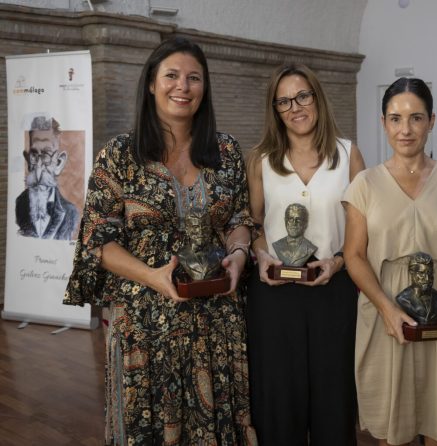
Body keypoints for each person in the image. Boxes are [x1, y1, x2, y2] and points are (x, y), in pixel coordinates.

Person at [63, 37, 257, 445]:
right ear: (151, 83)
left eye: (193, 78)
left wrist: (239, 252)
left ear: (205, 88)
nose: (182, 87)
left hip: (216, 320)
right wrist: (153, 276)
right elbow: (99, 239)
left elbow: (239, 217)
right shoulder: (119, 154)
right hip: (144, 322)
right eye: (171, 76)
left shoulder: (225, 150)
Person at [343, 77, 437, 446]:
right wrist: (386, 309)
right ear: (384, 122)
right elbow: (353, 256)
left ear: (432, 121)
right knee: (394, 429)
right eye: (395, 118)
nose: (406, 129)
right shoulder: (364, 184)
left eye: (416, 118)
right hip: (385, 313)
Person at [246, 63, 365, 445]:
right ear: (274, 109)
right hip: (276, 293)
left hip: (334, 291)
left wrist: (340, 261)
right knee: (280, 404)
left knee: (335, 399)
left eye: (302, 96)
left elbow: (362, 233)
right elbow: (254, 225)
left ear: (317, 97)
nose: (295, 107)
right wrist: (261, 255)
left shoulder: (348, 155)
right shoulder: (261, 159)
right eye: (283, 102)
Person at [15, 115, 79, 240]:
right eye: (34, 155)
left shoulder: (71, 213)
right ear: (28, 160)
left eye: (46, 155)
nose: (39, 168)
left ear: (59, 163)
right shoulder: (19, 204)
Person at [176, 207, 226, 281]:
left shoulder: (220, 253)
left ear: (210, 229)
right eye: (195, 227)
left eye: (205, 227)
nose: (201, 231)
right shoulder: (181, 255)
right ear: (187, 230)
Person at [395, 252, 437, 325]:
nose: (427, 278)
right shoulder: (403, 298)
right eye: (421, 273)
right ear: (412, 273)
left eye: (430, 273)